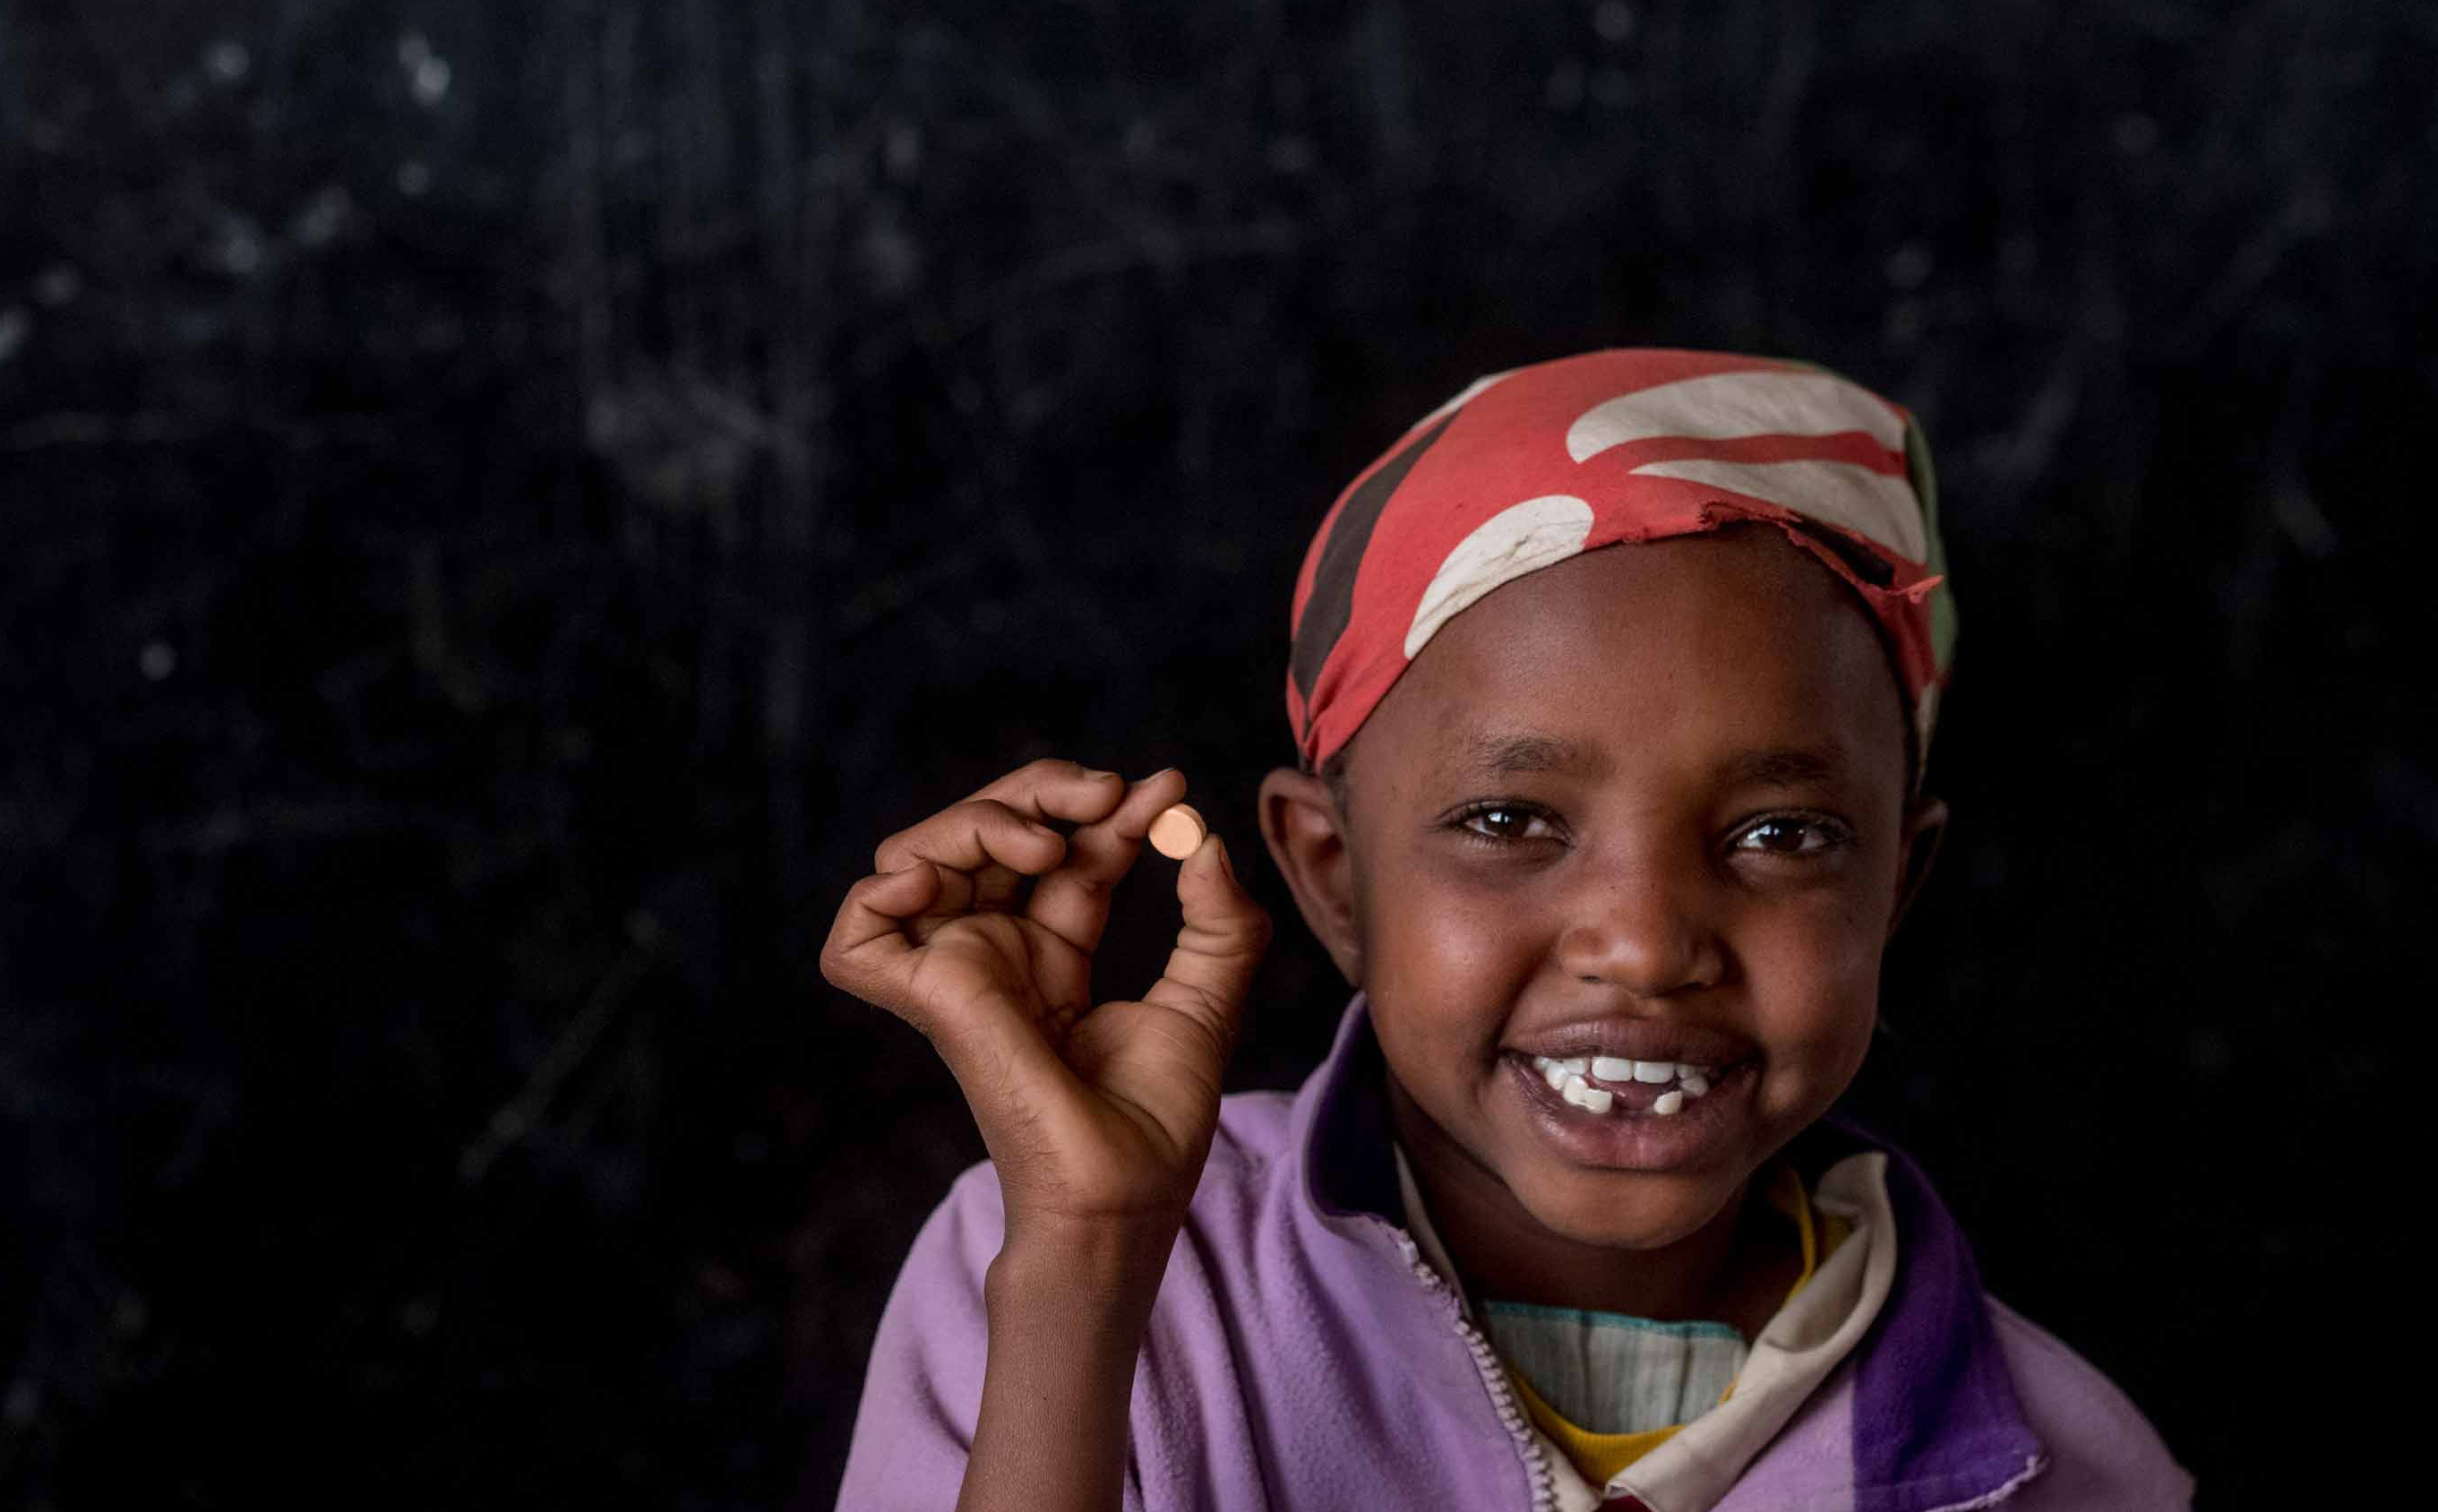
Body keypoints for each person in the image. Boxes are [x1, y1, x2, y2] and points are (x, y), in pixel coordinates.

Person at [819, 348, 2193, 1511]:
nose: (1646, 945)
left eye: (1781, 837)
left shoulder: (2062, 1468)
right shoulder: (1071, 1271)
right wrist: (1090, 1260)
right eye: (1506, 822)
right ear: (1332, 877)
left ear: (1898, 883)